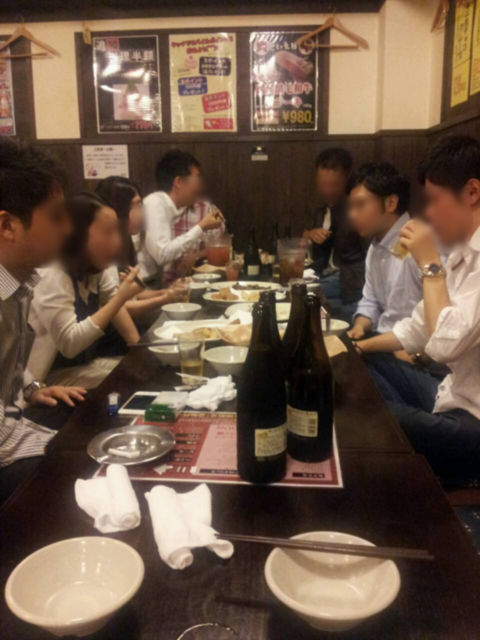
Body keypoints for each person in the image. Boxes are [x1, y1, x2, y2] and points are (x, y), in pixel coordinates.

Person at [355, 135, 480, 481]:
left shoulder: (449, 259)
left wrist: (430, 266)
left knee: (365, 415)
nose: (429, 213)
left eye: (435, 201)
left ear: (472, 192)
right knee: (362, 365)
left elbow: (445, 345)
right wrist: (358, 347)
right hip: (451, 395)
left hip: (473, 421)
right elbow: (417, 326)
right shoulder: (463, 253)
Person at [0, 137, 87, 503]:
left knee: (86, 413)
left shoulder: (18, 283)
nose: (67, 228)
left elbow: (9, 364)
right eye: (55, 217)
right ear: (8, 225)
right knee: (84, 463)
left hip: (11, 427)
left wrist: (32, 387)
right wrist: (62, 450)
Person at [28, 193, 142, 389]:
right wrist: (121, 297)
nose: (118, 241)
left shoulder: (94, 268)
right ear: (78, 236)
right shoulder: (53, 273)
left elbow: (112, 303)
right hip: (43, 382)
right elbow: (70, 344)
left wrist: (139, 350)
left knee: (139, 372)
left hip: (81, 367)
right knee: (126, 381)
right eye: (108, 232)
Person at [347, 162, 422, 340]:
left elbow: (426, 326)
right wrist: (359, 327)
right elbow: (370, 301)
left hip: (412, 349)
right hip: (384, 341)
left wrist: (364, 346)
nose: (352, 214)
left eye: (360, 204)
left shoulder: (420, 242)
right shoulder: (376, 246)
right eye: (351, 206)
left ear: (391, 203)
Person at [95, 176, 182, 320]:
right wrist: (164, 298)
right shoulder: (104, 250)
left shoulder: (126, 240)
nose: (141, 212)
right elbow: (118, 308)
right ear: (117, 209)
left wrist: (168, 292)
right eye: (134, 206)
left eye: (140, 205)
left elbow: (133, 295)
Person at [137, 149, 223, 287]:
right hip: (142, 284)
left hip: (152, 282)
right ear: (178, 182)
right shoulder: (155, 203)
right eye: (197, 179)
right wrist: (201, 227)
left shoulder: (169, 208)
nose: (200, 186)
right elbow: (162, 255)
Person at [304, 147, 367, 323]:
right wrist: (310, 234)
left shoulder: (356, 210)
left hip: (349, 280)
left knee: (302, 293)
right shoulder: (320, 208)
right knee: (295, 290)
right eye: (322, 184)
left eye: (334, 185)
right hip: (323, 274)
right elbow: (300, 241)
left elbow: (370, 258)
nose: (327, 190)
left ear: (347, 181)